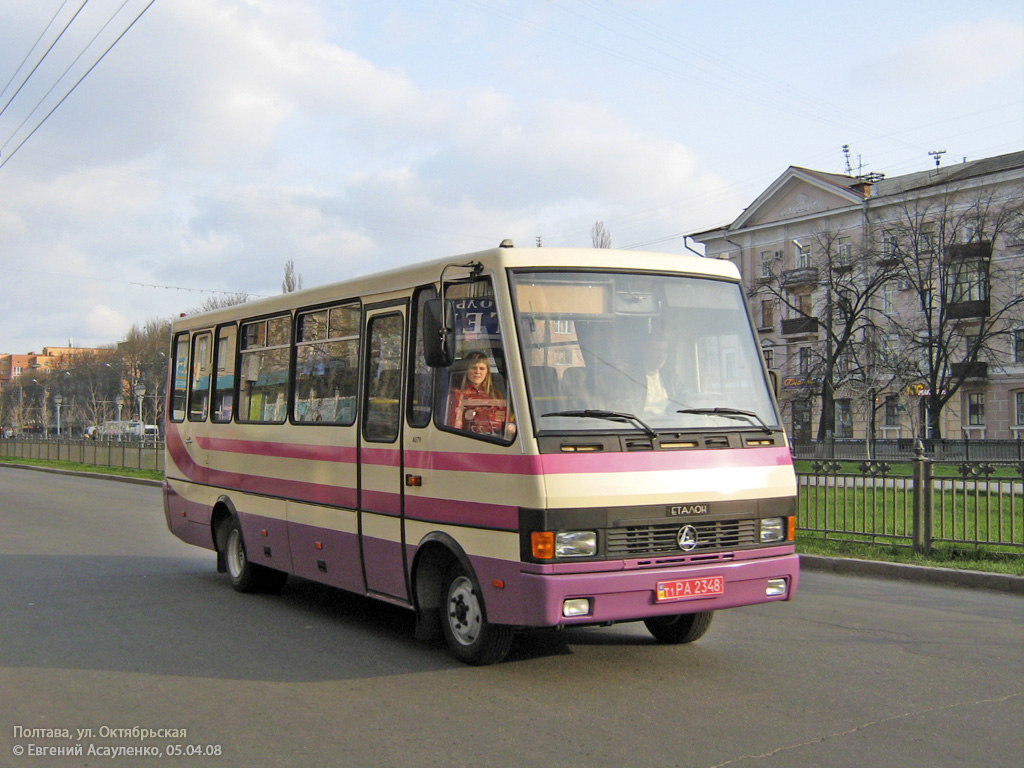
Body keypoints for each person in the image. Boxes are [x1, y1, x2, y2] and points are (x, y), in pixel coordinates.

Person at [447, 351, 510, 436]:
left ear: (487, 372)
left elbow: (508, 419)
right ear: (466, 370)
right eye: (473, 368)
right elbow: (454, 428)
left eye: (482, 368)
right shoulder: (457, 394)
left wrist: (510, 426)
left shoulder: (495, 394)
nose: (477, 372)